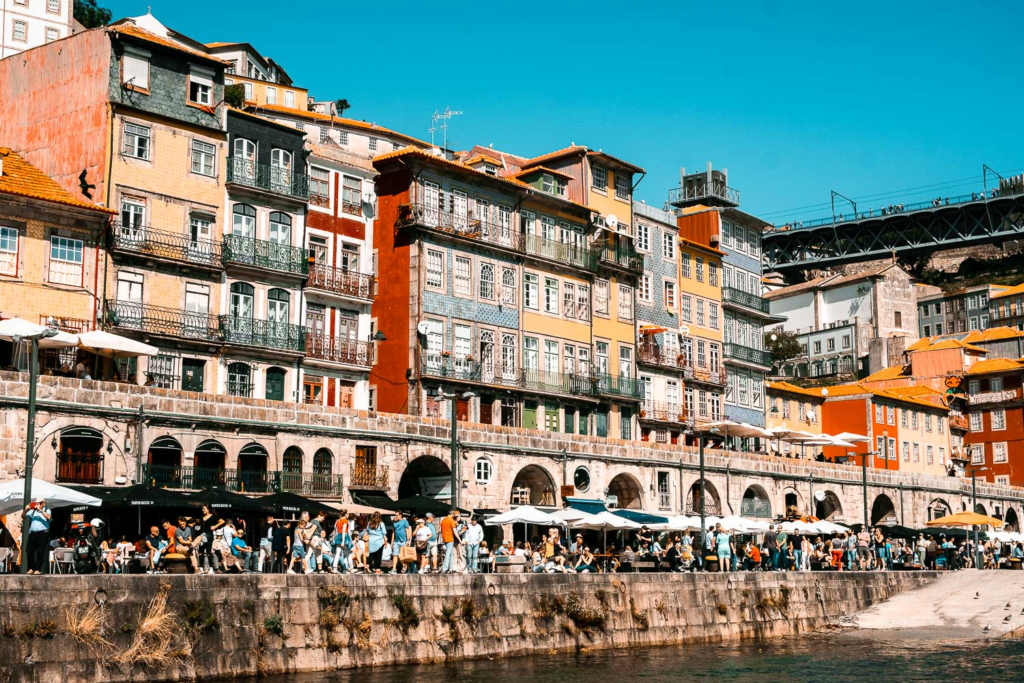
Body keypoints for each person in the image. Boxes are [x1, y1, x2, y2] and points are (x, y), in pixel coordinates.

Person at [23, 498, 51, 575]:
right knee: (29, 550)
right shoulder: (33, 511)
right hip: (33, 533)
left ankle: (38, 569)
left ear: (43, 504)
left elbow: (48, 517)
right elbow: (23, 517)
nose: (37, 504)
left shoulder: (47, 510)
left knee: (40, 551)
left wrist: (41, 510)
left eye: (39, 503)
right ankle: (31, 568)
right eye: (36, 503)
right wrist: (26, 510)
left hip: (43, 533)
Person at [198, 505, 225, 574]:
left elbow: (222, 521)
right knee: (200, 552)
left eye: (204, 509)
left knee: (208, 552)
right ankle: (201, 568)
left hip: (209, 536)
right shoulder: (202, 517)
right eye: (202, 509)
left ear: (208, 509)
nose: (202, 510)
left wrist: (215, 527)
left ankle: (211, 568)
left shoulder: (213, 516)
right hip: (202, 536)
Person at [439, 510, 460, 574]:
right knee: (448, 553)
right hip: (450, 538)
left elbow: (441, 530)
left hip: (444, 538)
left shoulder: (443, 520)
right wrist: (459, 539)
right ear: (452, 514)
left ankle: (451, 568)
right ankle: (445, 568)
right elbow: (454, 531)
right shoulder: (451, 520)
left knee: (450, 553)